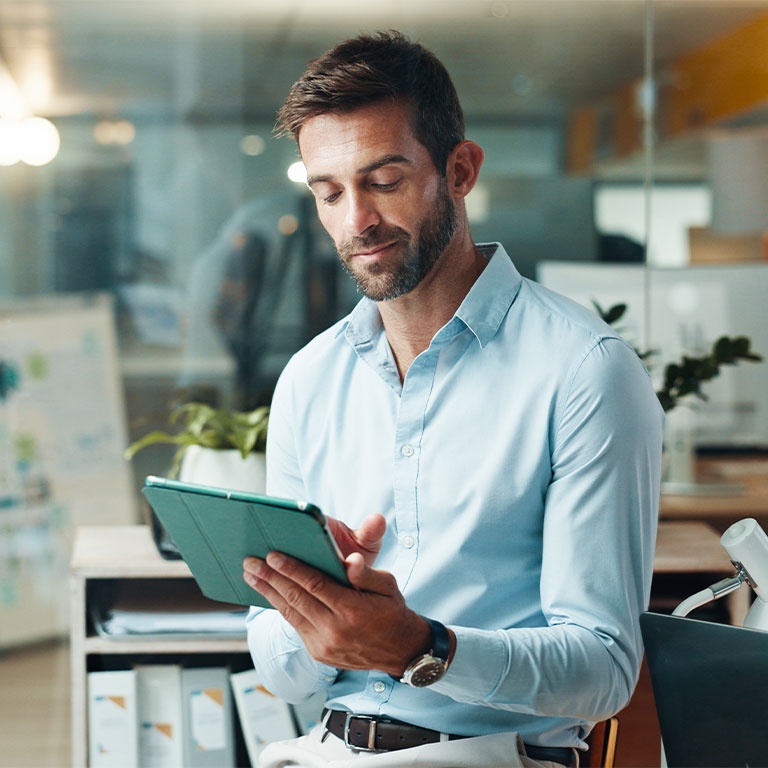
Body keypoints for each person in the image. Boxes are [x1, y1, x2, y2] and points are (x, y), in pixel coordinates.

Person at [242, 30, 663, 768]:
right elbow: (279, 668)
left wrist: (423, 649)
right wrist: (322, 618)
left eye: (384, 180)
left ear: (460, 170)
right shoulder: (309, 381)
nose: (356, 223)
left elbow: (603, 671)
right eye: (329, 192)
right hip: (324, 749)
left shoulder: (584, 371)